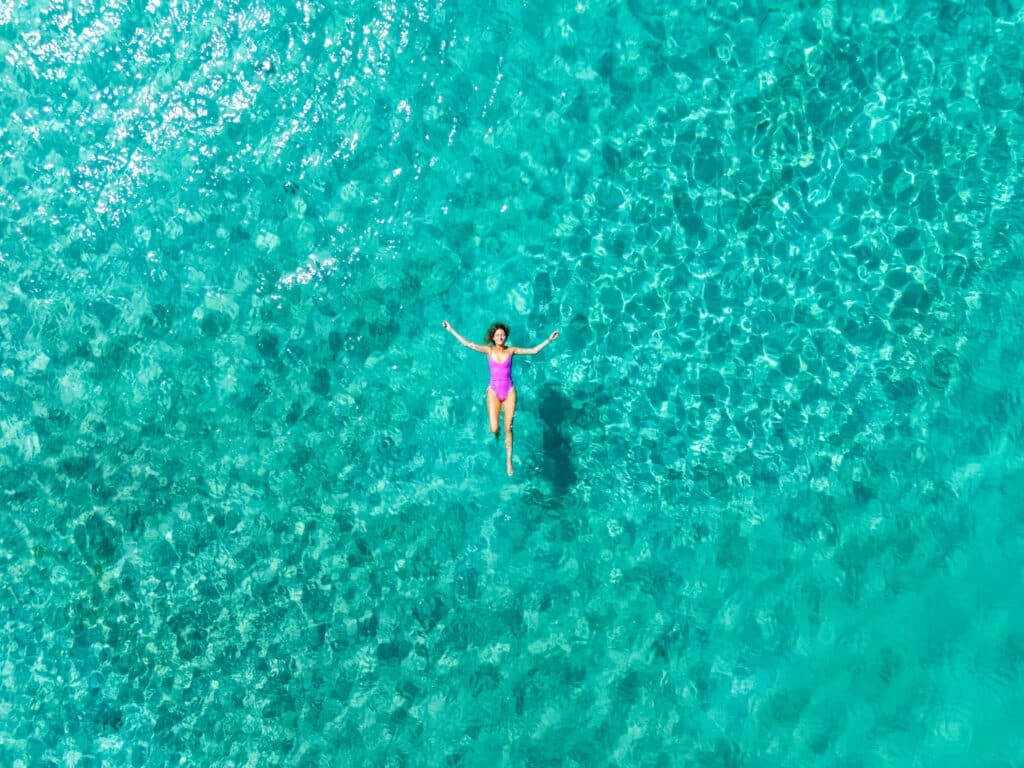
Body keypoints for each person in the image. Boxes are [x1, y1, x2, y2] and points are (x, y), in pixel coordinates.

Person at [442, 320, 559, 476]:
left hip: (509, 391)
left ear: (506, 336)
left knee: (508, 427)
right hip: (493, 391)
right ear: (493, 337)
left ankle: (508, 461)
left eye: (503, 334)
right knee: (494, 428)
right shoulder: (488, 351)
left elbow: (533, 351)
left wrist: (549, 340)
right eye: (498, 335)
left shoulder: (511, 350)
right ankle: (497, 436)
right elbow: (467, 344)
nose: (500, 337)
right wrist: (450, 329)